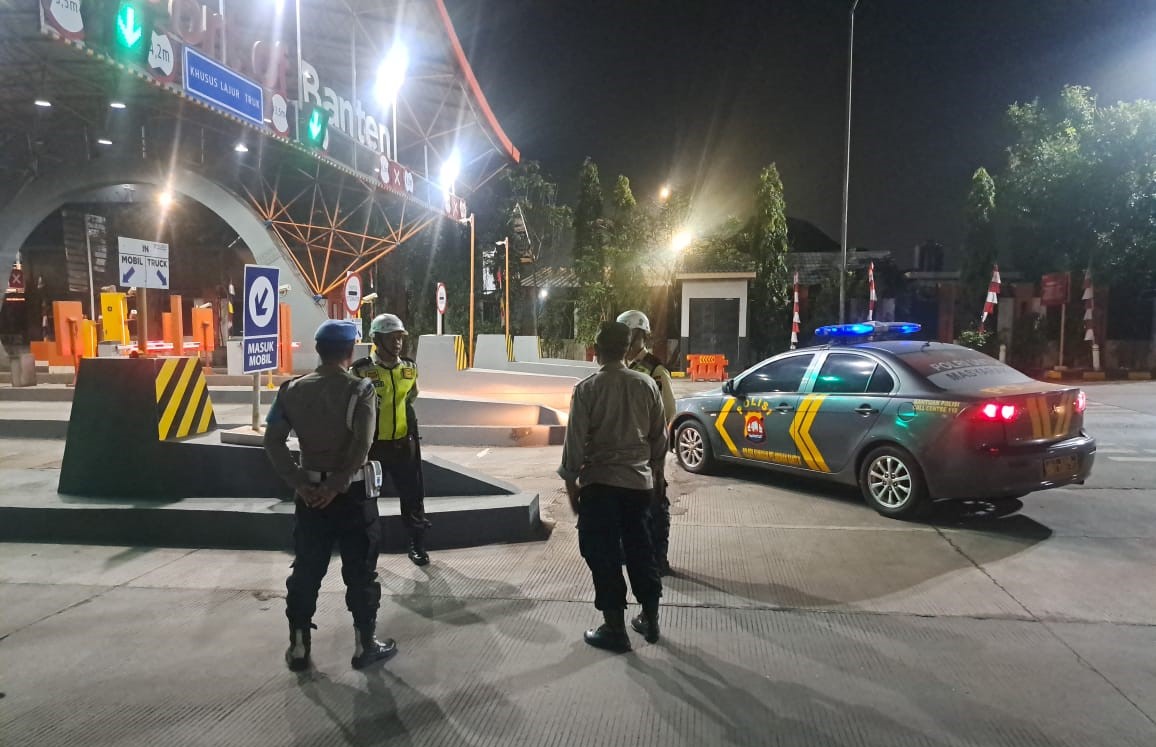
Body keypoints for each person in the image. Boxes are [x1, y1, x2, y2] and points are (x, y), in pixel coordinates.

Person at [265, 319, 398, 671]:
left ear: (318, 349)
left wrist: (299, 482)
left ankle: (298, 647)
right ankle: (364, 645)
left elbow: (273, 441)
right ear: (350, 351)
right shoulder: (361, 389)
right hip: (352, 496)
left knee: (307, 569)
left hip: (309, 496)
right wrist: (336, 485)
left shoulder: (291, 390)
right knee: (360, 571)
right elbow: (362, 445)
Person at [559, 320, 667, 651]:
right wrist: (655, 480)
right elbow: (659, 440)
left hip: (600, 486)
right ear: (626, 349)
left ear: (597, 350)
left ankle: (614, 627)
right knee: (641, 550)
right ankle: (650, 618)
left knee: (602, 553)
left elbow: (574, 445)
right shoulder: (646, 384)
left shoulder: (587, 389)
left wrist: (572, 489)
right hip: (638, 486)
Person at [351, 313, 432, 566]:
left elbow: (411, 397)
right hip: (373, 446)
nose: (397, 343)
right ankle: (364, 551)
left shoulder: (409, 368)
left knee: (413, 496)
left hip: (403, 444)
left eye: (400, 337)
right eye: (391, 338)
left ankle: (417, 544)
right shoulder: (361, 370)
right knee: (365, 499)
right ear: (376, 340)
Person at [616, 309, 677, 576]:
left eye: (630, 334)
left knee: (655, 506)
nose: (626, 340)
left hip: (649, 452)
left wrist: (656, 457)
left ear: (640, 335)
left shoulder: (655, 369)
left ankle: (658, 560)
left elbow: (668, 413)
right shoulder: (618, 367)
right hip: (624, 454)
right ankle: (628, 554)